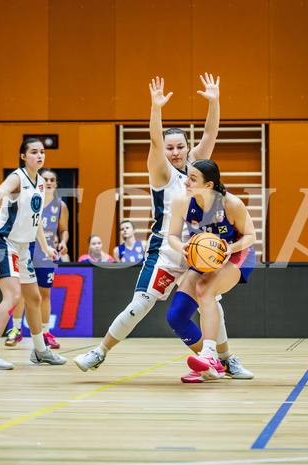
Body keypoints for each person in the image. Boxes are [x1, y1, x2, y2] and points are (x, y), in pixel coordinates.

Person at [75, 74, 253, 383]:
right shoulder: (161, 171)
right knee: (140, 303)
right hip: (168, 247)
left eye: (180, 146)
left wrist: (214, 101)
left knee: (211, 301)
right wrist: (155, 108)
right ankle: (100, 352)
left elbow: (211, 132)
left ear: (187, 147)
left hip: (202, 245)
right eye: (170, 147)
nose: (174, 152)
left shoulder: (196, 166)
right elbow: (155, 141)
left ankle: (225, 359)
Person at [166, 159, 256, 380]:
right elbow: (172, 236)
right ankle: (212, 364)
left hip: (235, 254)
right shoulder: (182, 201)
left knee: (205, 289)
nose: (186, 182)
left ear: (209, 185)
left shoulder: (231, 204)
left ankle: (208, 354)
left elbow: (251, 235)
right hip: (203, 256)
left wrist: (230, 248)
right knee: (176, 317)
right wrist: (183, 247)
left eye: (192, 179)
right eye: (187, 176)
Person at [0, 139, 66, 368]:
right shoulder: (17, 177)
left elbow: (34, 219)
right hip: (3, 241)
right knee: (12, 297)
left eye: (42, 152)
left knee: (35, 298)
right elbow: (0, 190)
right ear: (23, 156)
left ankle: (40, 351)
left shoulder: (39, 182)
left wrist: (46, 246)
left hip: (23, 246)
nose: (39, 156)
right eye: (34, 152)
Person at [5, 168, 69, 349]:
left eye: (52, 180)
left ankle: (45, 332)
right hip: (26, 249)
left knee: (44, 294)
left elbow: (64, 230)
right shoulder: (31, 200)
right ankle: (16, 330)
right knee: (21, 293)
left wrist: (63, 242)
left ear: (56, 183)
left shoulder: (60, 205)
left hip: (46, 254)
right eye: (45, 179)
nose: (48, 182)